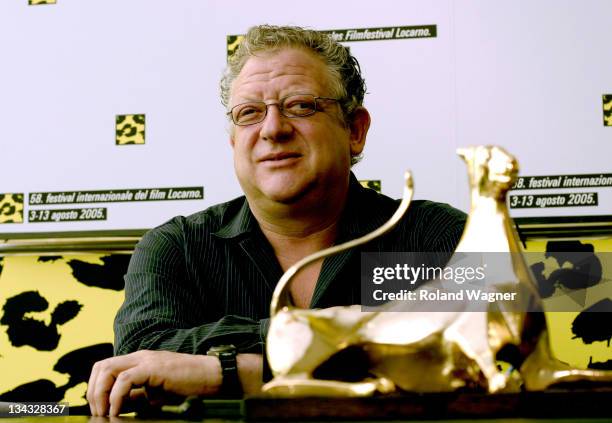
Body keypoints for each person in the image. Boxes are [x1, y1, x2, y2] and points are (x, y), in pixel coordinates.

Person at [86, 24, 466, 416]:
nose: (272, 129)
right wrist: (356, 337)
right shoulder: (175, 248)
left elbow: (474, 358)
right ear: (234, 141)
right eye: (249, 113)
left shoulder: (443, 235)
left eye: (301, 105)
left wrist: (232, 373)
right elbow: (141, 362)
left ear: (354, 130)